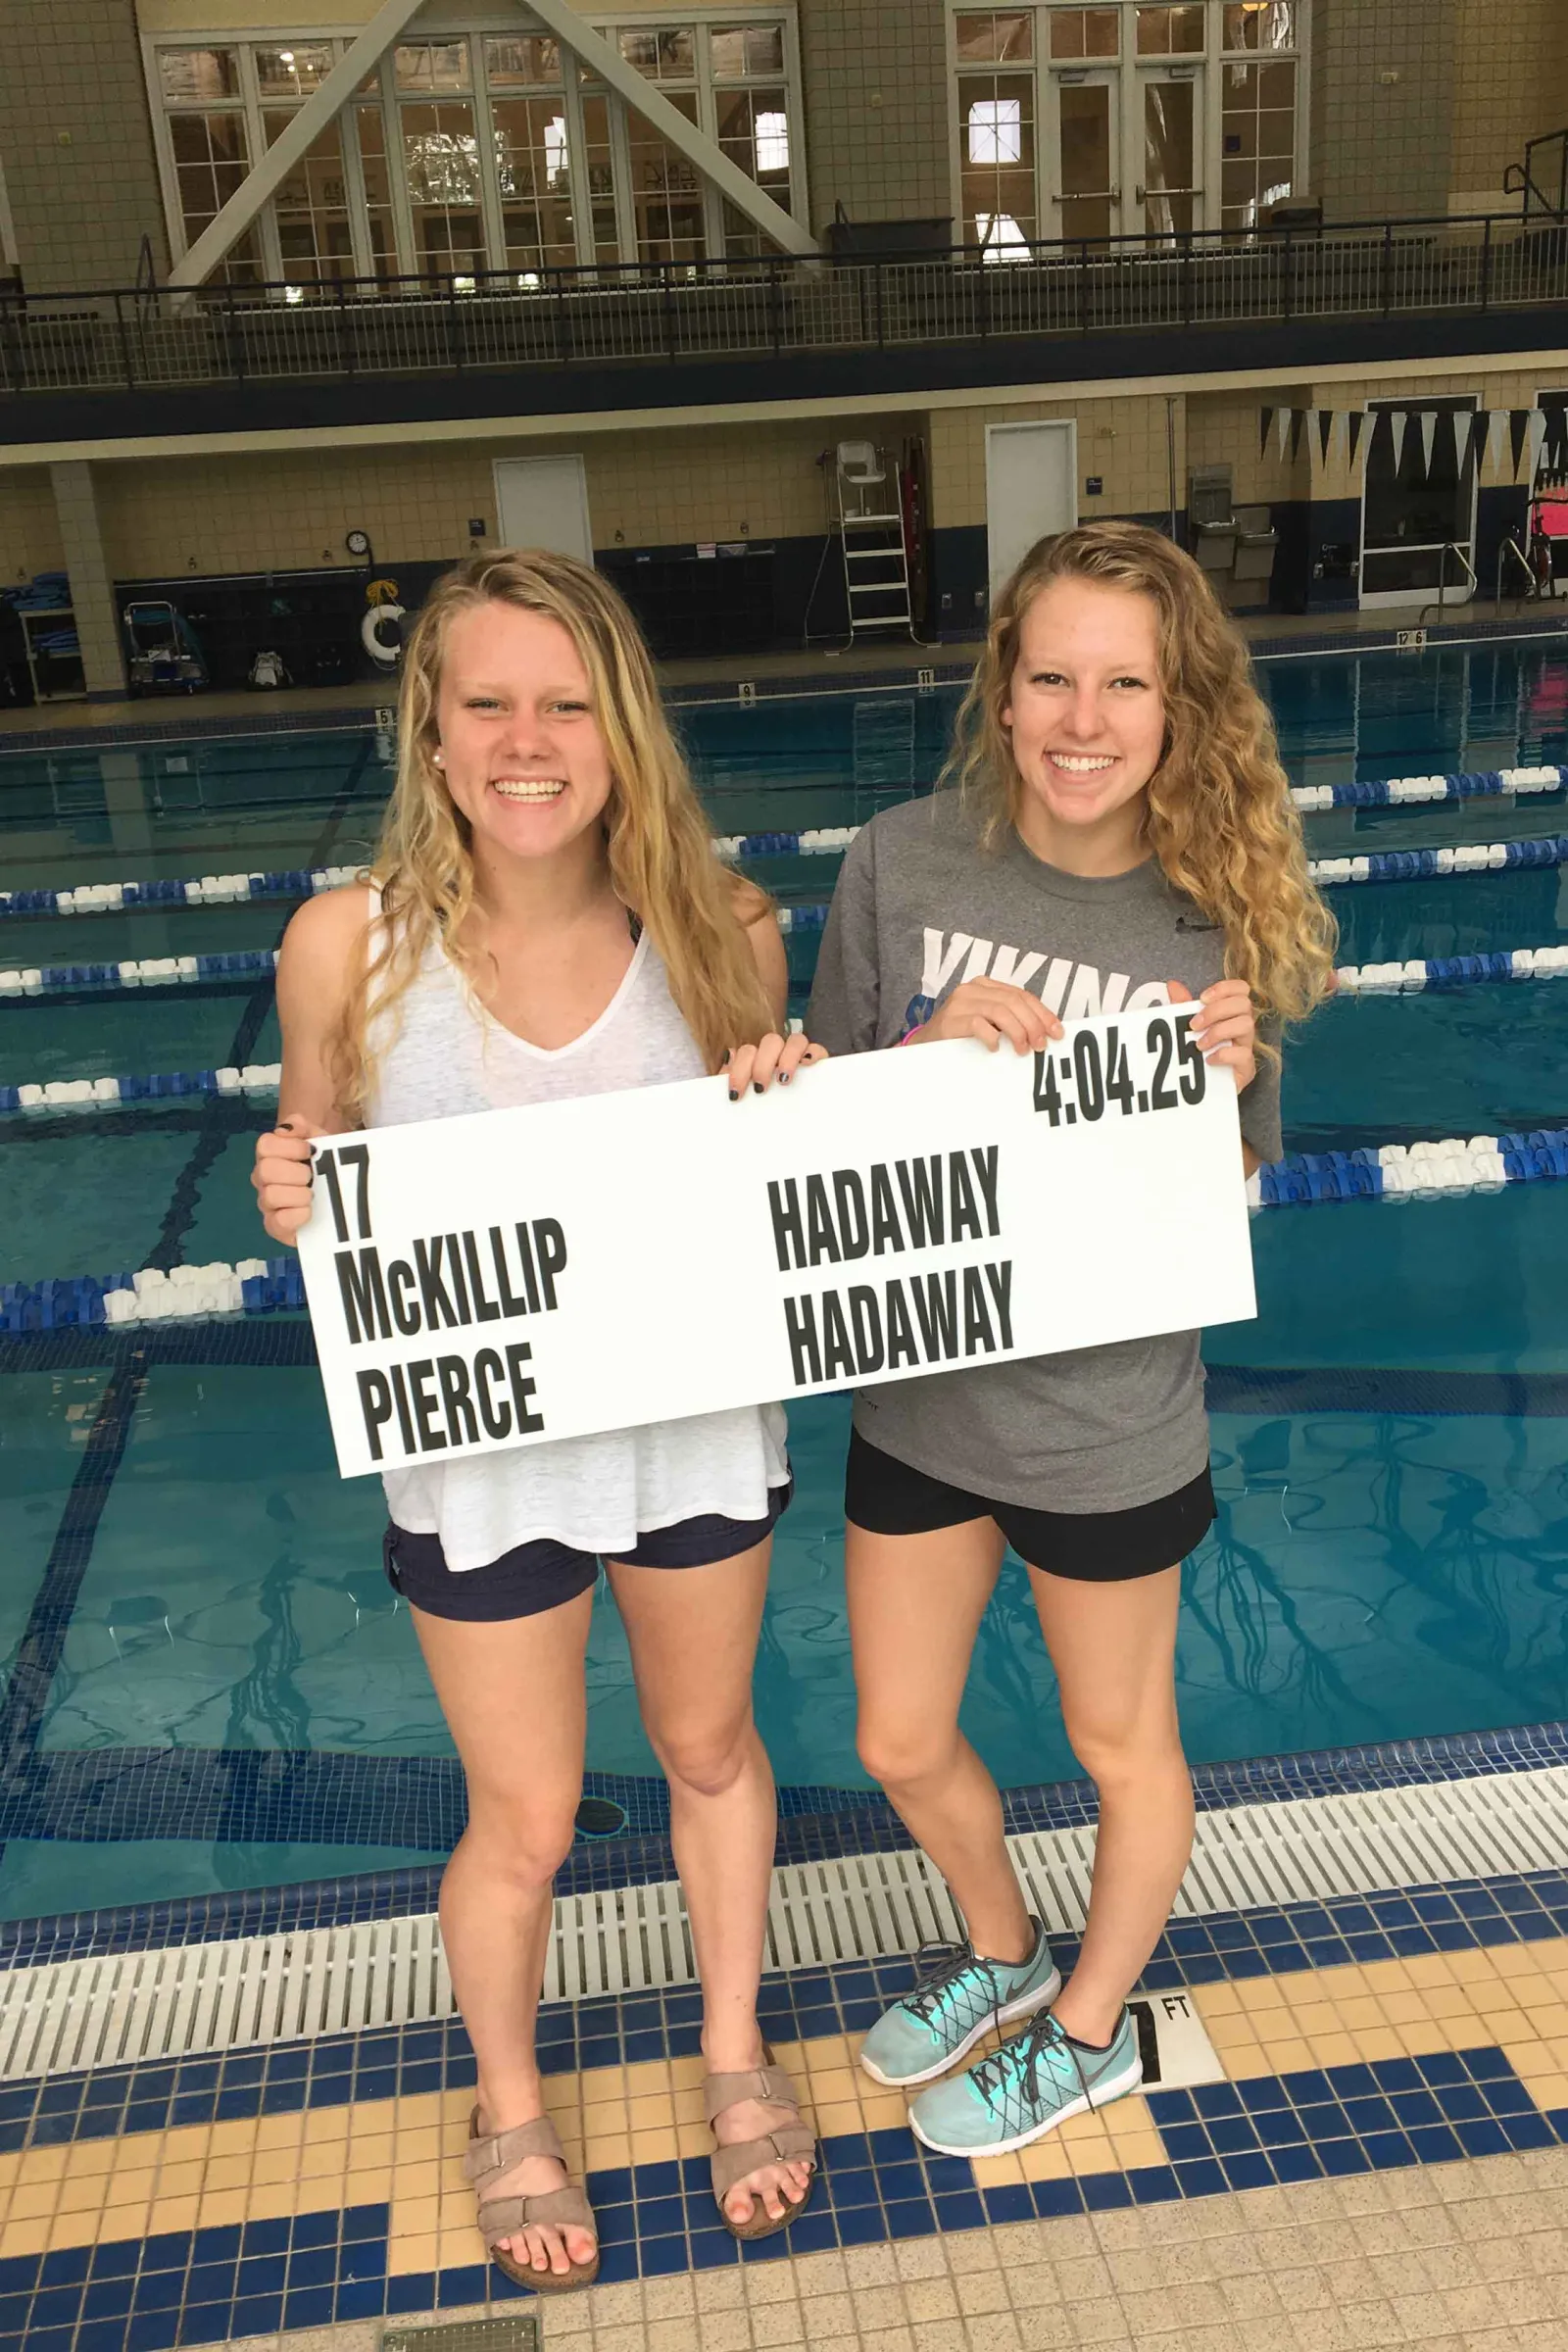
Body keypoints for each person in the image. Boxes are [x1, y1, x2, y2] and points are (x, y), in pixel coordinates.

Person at [252, 550, 824, 2288]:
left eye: (564, 703)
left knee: (710, 1754)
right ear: (430, 736)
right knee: (526, 1819)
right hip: (483, 1458)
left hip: (692, 1436)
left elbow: (778, 1164)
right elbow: (320, 1168)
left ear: (619, 728)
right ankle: (511, 2100)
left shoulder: (724, 929)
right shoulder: (344, 945)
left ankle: (732, 2052)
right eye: (485, 702)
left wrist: (785, 1093)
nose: (526, 739)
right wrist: (292, 1192)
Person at [806, 520, 1335, 2158]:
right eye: (1053, 678)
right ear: (1004, 686)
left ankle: (1090, 2031)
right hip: (922, 1405)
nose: (1085, 720)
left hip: (1107, 1427)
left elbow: (1219, 1190)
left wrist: (1234, 1078)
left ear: (1181, 709)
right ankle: (1002, 1948)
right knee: (896, 1734)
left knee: (1124, 1745)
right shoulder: (902, 861)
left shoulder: (1209, 914)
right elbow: (811, 1120)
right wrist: (913, 1042)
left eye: (1127, 683)